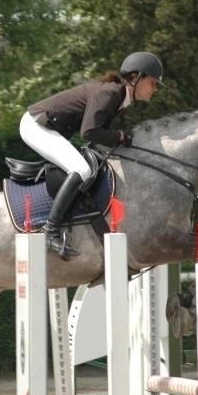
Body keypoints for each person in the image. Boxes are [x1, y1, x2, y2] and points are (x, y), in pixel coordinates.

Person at [19, 51, 164, 259]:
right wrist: (118, 136)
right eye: (153, 83)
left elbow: (97, 134)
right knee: (81, 169)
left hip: (47, 127)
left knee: (88, 166)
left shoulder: (119, 97)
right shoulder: (110, 93)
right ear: (136, 77)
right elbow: (89, 131)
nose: (156, 89)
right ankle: (50, 230)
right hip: (36, 125)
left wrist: (118, 139)